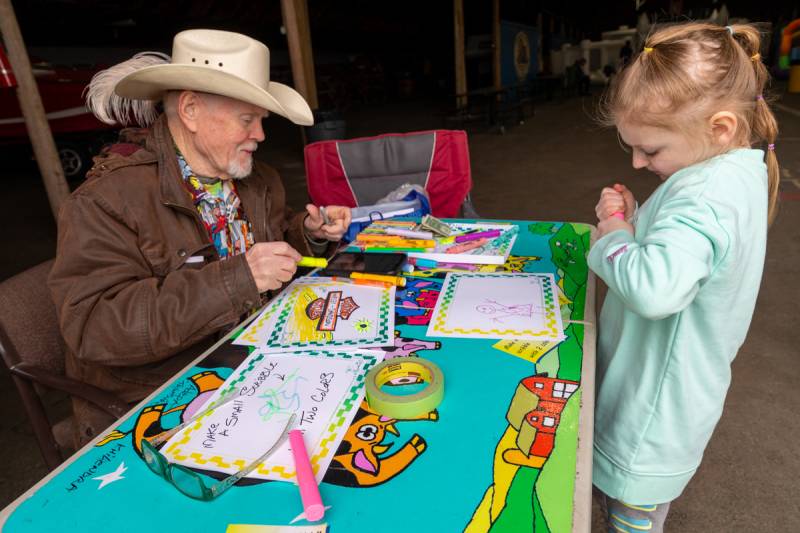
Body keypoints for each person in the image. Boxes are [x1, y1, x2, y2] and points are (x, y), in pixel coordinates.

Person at [48, 29, 352, 446]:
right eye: (248, 119)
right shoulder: (104, 202)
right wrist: (239, 278)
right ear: (190, 110)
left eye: (261, 120)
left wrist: (308, 235)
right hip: (164, 397)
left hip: (255, 361)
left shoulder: (257, 178)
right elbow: (95, 327)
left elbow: (272, 244)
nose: (261, 135)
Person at [589, 23, 778, 532]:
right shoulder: (728, 171)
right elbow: (677, 246)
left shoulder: (702, 196)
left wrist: (612, 234)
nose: (637, 161)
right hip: (667, 398)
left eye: (650, 151)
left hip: (650, 416)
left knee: (629, 518)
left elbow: (655, 290)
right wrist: (636, 222)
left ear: (718, 127)